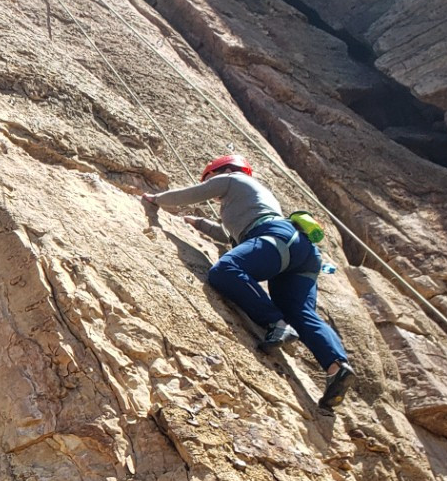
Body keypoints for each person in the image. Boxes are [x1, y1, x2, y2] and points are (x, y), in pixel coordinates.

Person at [145, 153, 355, 414]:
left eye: (211, 178)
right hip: (301, 253)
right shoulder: (251, 199)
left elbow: (194, 194)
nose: (214, 192)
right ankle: (336, 367)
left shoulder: (231, 179)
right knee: (299, 312)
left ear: (220, 171)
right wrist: (198, 223)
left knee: (224, 270)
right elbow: (232, 235)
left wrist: (157, 199)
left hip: (275, 237)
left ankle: (275, 322)